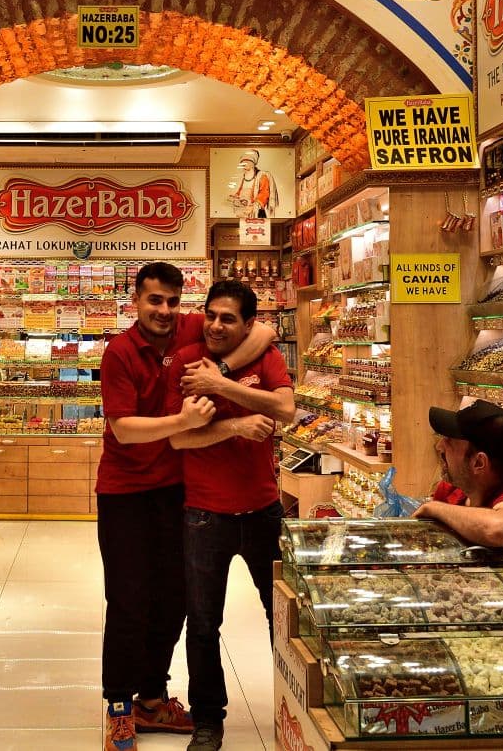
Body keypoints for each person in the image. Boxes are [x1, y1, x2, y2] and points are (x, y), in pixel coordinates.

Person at [98, 262, 276, 751]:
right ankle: (118, 705)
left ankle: (151, 698)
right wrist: (181, 421)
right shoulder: (120, 352)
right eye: (155, 301)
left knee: (175, 600)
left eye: (174, 302)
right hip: (125, 492)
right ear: (136, 300)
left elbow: (262, 329)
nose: (165, 311)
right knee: (129, 600)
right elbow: (123, 430)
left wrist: (219, 373)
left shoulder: (191, 329)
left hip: (177, 491)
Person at [163, 280, 295, 751]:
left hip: (264, 511)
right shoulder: (185, 362)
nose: (216, 325)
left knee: (281, 617)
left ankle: (293, 705)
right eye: (211, 315)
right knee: (202, 624)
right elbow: (180, 437)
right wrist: (235, 424)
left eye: (228, 318)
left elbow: (286, 408)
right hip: (203, 515)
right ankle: (207, 721)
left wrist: (221, 385)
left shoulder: (261, 359)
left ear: (248, 324)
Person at [412, 399, 503, 548]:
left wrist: (433, 508)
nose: (439, 447)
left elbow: (497, 530)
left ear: (479, 463)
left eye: (448, 441)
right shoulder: (450, 489)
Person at [226, 149, 277, 218]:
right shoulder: (245, 177)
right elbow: (240, 191)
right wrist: (236, 196)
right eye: (242, 163)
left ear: (252, 164)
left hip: (257, 212)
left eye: (246, 162)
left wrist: (254, 206)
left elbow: (264, 193)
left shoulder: (262, 176)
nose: (243, 165)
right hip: (243, 210)